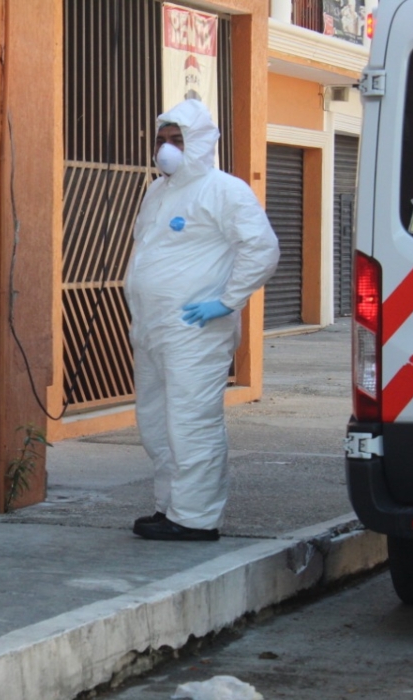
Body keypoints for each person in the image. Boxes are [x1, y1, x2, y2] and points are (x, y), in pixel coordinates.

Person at [125, 98, 280, 541]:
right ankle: (170, 506)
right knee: (156, 420)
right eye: (162, 140)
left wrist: (227, 301)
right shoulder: (158, 191)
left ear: (200, 143)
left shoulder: (225, 190)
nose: (167, 149)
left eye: (177, 140)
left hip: (196, 328)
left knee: (192, 421)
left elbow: (262, 250)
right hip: (153, 327)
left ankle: (195, 518)